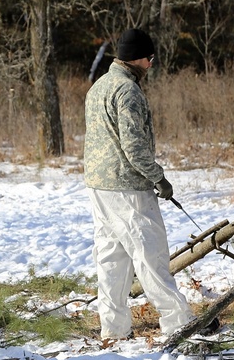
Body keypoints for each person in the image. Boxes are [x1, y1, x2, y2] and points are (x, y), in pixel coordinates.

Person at [83, 28, 193, 340]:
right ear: (139, 58)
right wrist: (158, 177)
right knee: (151, 256)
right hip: (128, 188)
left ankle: (113, 330)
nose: (152, 65)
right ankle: (180, 323)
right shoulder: (128, 92)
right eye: (150, 59)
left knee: (111, 259)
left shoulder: (98, 87)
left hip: (99, 187)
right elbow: (134, 147)